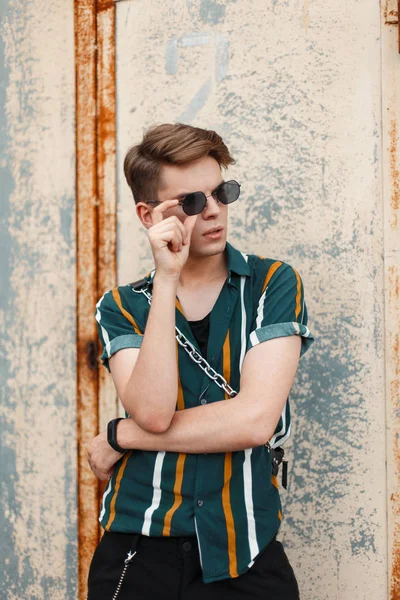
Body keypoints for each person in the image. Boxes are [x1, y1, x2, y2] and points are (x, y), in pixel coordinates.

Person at [86, 123, 315, 599]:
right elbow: (152, 409)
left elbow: (254, 420)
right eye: (191, 203)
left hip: (244, 548)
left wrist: (120, 434)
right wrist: (166, 280)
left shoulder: (272, 285)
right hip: (137, 548)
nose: (213, 212)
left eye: (221, 192)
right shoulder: (122, 306)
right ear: (150, 215)